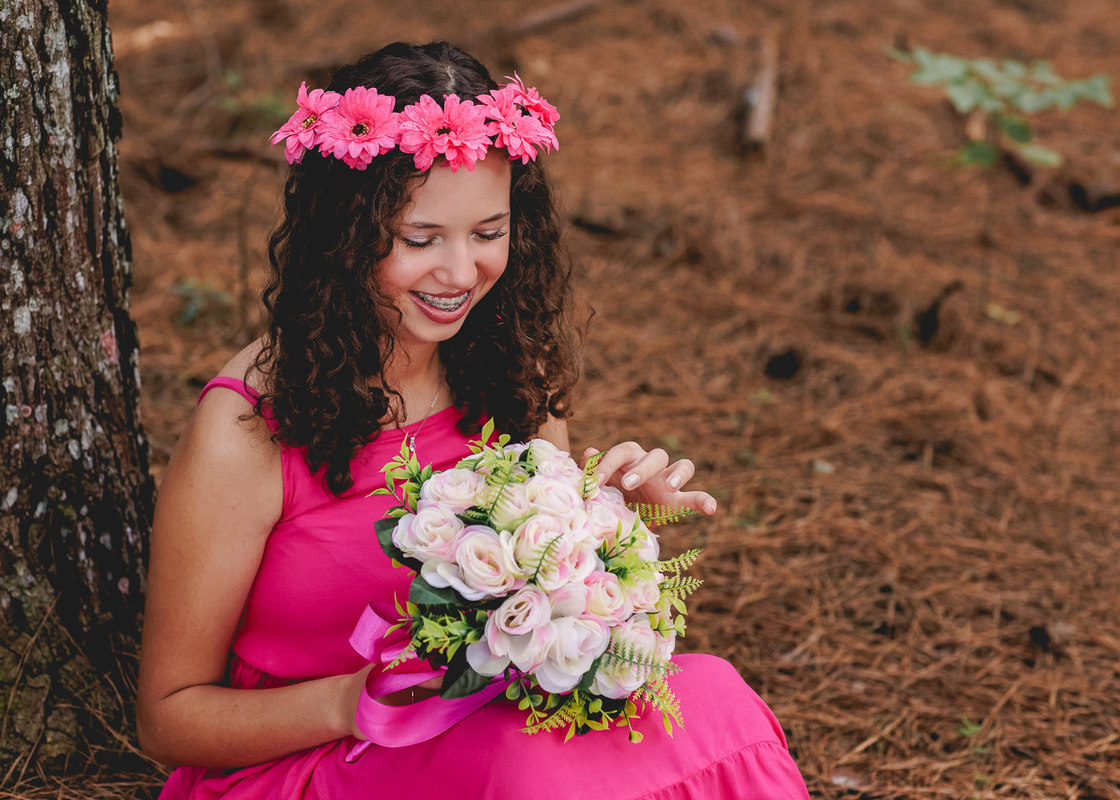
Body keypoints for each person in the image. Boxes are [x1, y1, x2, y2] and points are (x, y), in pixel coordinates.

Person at [137, 41, 809, 799]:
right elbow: (169, 719)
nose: (460, 276)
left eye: (488, 233)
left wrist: (607, 529)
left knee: (718, 704)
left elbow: (545, 602)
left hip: (495, 723)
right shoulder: (246, 431)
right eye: (421, 240)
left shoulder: (507, 362)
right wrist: (345, 701)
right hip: (322, 757)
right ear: (345, 238)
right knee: (529, 770)